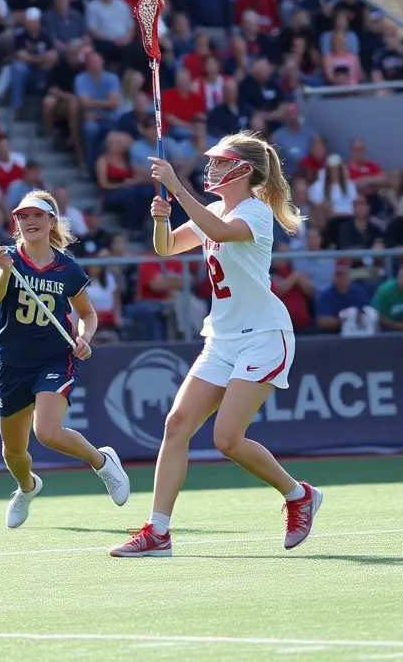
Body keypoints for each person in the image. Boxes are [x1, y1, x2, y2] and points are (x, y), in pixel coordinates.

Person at [111, 132, 320, 558]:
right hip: (221, 338)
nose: (212, 169)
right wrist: (160, 219)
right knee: (177, 424)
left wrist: (176, 187)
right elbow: (167, 248)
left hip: (264, 337)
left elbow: (220, 232)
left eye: (221, 163)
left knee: (227, 439)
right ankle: (159, 531)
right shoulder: (211, 209)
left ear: (244, 170)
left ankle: (298, 494)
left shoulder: (255, 214)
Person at [0, 190, 129, 528]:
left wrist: (85, 337)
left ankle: (102, 462)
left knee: (47, 431)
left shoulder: (68, 268)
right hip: (14, 363)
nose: (30, 221)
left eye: (37, 216)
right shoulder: (3, 257)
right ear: (16, 222)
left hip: (55, 359)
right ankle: (27, 487)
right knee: (13, 452)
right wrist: (3, 270)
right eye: (23, 216)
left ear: (51, 222)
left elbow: (88, 315)